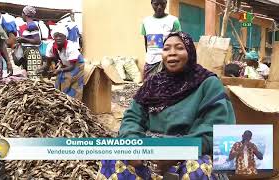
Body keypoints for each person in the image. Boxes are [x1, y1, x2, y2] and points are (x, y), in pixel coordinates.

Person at [97, 32, 236, 179]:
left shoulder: (208, 83)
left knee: (196, 169)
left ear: (190, 52)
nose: (172, 53)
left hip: (193, 151)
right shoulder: (153, 83)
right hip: (152, 153)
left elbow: (214, 130)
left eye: (179, 48)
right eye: (166, 48)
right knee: (114, 160)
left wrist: (177, 152)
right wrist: (133, 143)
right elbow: (132, 117)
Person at [42, 24, 84, 100]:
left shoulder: (70, 47)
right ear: (53, 37)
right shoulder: (50, 46)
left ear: (65, 37)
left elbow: (72, 66)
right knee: (59, 81)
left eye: (61, 36)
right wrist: (44, 69)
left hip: (77, 65)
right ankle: (62, 100)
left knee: (71, 82)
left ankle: (74, 103)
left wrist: (59, 70)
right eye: (56, 36)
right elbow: (48, 62)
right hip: (65, 64)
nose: (58, 38)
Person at [142, 0, 181, 81]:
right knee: (148, 88)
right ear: (151, 4)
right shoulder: (146, 21)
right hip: (150, 62)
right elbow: (146, 42)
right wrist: (150, 56)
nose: (159, 7)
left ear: (166, 3)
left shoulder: (173, 21)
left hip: (167, 62)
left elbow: (178, 42)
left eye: (162, 4)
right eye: (156, 4)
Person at [13, 6, 42, 80]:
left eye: (22, 13)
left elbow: (37, 41)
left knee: (34, 78)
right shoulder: (29, 25)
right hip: (28, 53)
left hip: (32, 53)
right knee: (28, 77)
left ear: (24, 14)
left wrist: (23, 39)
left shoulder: (31, 25)